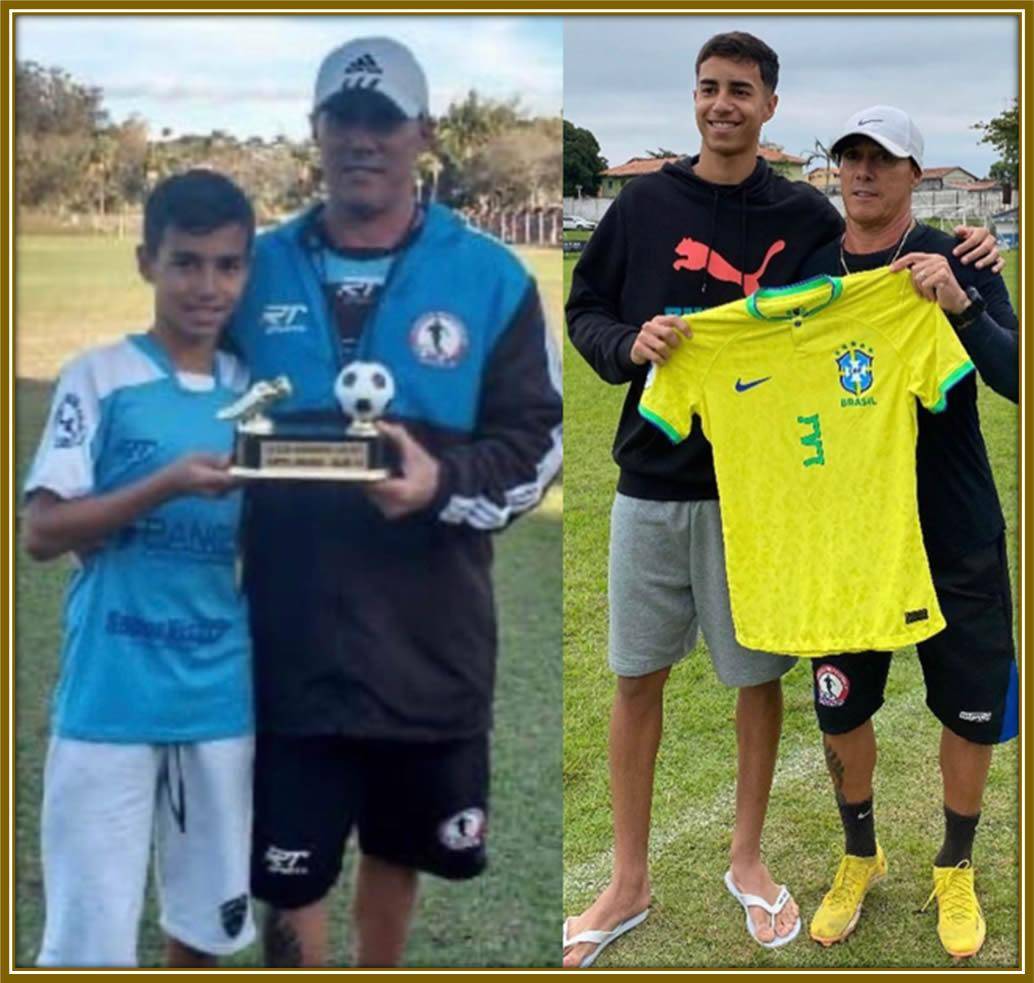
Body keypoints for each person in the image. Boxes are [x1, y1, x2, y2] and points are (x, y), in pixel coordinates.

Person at [563, 32, 998, 966]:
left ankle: (858, 863)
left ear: (768, 105)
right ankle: (684, 873)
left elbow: (950, 334)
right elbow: (586, 314)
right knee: (694, 682)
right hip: (727, 496)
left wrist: (969, 274)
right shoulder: (664, 210)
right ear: (696, 99)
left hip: (857, 510)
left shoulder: (867, 241)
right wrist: (629, 347)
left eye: (742, 91)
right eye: (709, 88)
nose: (723, 103)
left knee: (812, 685)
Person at [225, 37, 562, 967]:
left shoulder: (491, 278)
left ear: (423, 132)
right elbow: (202, 415)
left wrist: (440, 484)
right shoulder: (254, 270)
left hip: (429, 649)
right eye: (344, 117)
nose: (362, 138)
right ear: (317, 130)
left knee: (397, 851)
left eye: (383, 119)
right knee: (289, 877)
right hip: (287, 644)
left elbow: (537, 446)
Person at [798, 106, 1018, 960]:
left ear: (914, 174)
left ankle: (955, 865)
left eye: (881, 160)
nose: (862, 172)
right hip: (845, 536)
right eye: (851, 157)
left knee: (968, 706)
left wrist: (962, 303)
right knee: (840, 703)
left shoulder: (960, 255)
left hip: (953, 528)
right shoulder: (809, 271)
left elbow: (1013, 375)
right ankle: (860, 854)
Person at [23, 170, 257, 967]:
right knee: (90, 940)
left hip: (219, 696)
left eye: (227, 265)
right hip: (109, 695)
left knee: (204, 928)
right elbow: (43, 529)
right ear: (144, 261)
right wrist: (163, 483)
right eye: (186, 262)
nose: (207, 285)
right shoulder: (100, 376)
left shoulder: (255, 391)